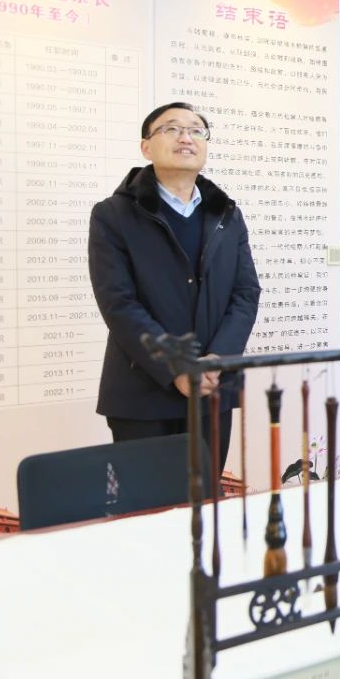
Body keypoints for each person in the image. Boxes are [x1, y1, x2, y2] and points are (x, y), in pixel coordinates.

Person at [88, 102, 260, 467]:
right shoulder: (113, 214)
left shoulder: (226, 213)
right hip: (143, 393)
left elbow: (245, 293)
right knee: (146, 498)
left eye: (196, 130)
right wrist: (177, 367)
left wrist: (217, 359)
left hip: (212, 388)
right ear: (146, 147)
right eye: (171, 129)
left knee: (206, 496)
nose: (186, 138)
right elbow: (118, 303)